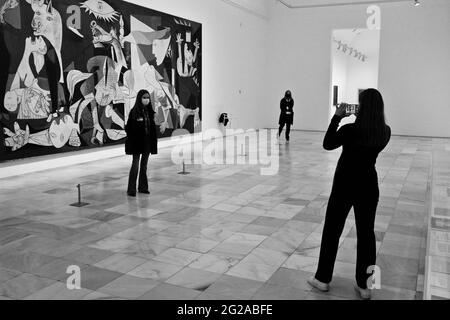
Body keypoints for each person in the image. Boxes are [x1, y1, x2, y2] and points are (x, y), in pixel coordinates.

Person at [307, 89, 391, 300]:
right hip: (368, 186)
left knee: (332, 231)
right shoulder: (385, 132)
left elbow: (327, 144)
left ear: (361, 107)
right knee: (366, 235)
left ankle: (323, 279)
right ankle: (364, 286)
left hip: (344, 185)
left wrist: (337, 117)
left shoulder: (349, 130)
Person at [125, 90, 158, 197]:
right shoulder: (134, 112)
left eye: (148, 97)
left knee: (144, 166)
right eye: (144, 97)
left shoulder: (150, 112)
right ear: (139, 98)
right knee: (135, 165)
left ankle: (143, 187)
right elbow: (129, 128)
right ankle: (131, 189)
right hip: (136, 143)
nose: (146, 99)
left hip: (147, 143)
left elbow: (152, 129)